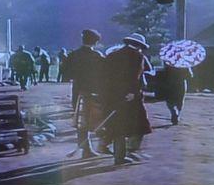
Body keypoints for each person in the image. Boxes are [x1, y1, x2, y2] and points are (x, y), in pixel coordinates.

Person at [97, 34, 153, 166]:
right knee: (141, 125)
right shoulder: (138, 57)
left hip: (112, 96)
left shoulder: (112, 55)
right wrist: (133, 92)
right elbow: (136, 77)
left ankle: (118, 154)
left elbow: (104, 76)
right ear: (139, 46)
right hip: (130, 98)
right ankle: (128, 152)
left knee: (118, 126)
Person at [62, 28, 106, 158]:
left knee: (81, 120)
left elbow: (66, 73)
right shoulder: (97, 56)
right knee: (94, 119)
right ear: (96, 42)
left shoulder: (73, 55)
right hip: (94, 92)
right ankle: (90, 148)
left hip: (78, 91)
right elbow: (105, 74)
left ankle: (85, 148)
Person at [154, 56, 193, 125]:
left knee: (170, 100)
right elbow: (190, 75)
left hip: (170, 83)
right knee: (180, 100)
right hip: (181, 84)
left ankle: (174, 111)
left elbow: (164, 74)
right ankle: (177, 114)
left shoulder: (168, 63)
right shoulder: (184, 64)